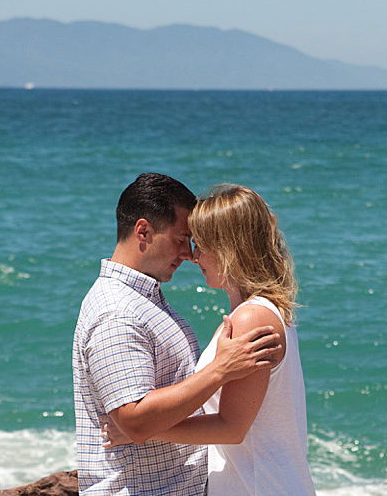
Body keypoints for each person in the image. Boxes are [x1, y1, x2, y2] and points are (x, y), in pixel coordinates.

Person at [73, 174, 281, 495]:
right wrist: (220, 370)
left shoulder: (143, 301)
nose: (189, 254)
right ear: (143, 231)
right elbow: (135, 421)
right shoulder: (117, 311)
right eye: (181, 238)